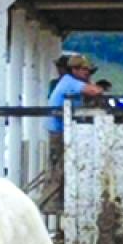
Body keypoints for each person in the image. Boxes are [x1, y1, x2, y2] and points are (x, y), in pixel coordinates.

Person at [41, 54, 104, 213]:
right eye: (85, 70)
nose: (88, 73)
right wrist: (96, 86)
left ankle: (55, 202)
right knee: (59, 168)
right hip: (59, 131)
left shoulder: (69, 82)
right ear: (74, 70)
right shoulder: (70, 82)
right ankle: (48, 203)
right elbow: (94, 91)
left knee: (62, 167)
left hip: (62, 129)